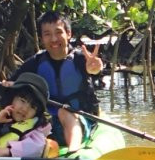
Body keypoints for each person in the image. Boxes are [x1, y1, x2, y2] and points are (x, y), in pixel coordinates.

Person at [10, 10, 104, 152]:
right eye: (47, 34)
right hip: (48, 124)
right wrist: (9, 85)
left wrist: (95, 68)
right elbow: (13, 83)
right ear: (42, 38)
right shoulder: (36, 62)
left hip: (81, 119)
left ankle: (74, 150)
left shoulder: (80, 59)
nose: (54, 39)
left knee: (63, 112)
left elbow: (95, 70)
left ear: (68, 34)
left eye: (58, 32)